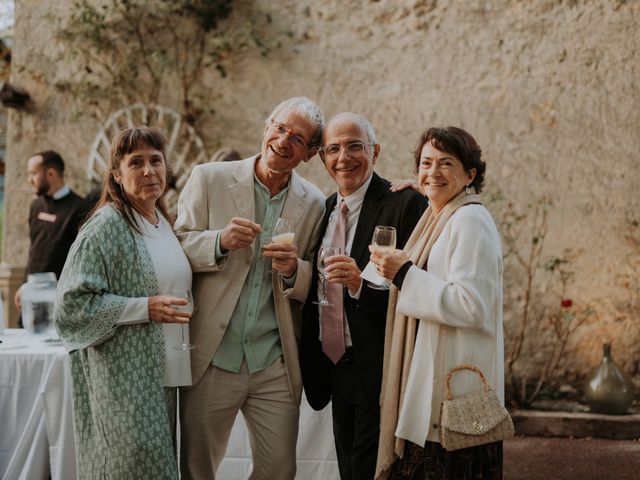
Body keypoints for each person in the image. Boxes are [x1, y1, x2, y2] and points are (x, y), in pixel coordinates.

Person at [175, 96, 326, 479]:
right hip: (211, 355)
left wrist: (295, 270)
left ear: (308, 154)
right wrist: (217, 242)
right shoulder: (209, 178)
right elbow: (176, 245)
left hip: (273, 360)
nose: (283, 140)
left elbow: (314, 275)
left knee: (279, 470)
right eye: (280, 128)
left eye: (298, 138)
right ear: (266, 126)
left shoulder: (314, 203)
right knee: (197, 468)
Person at [55, 127, 193, 479]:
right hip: (124, 385)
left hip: (163, 376)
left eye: (155, 161)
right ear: (116, 174)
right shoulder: (106, 226)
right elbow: (71, 306)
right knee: (131, 469)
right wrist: (141, 308)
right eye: (136, 163)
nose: (149, 171)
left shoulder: (161, 221)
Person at [370, 127, 504, 479]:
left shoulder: (471, 221)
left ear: (470, 174)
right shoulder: (440, 217)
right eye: (426, 163)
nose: (433, 172)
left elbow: (471, 305)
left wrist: (404, 275)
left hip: (452, 399)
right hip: (431, 384)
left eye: (447, 163)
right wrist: (426, 190)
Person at [299, 112, 428, 480]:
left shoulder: (404, 204)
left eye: (355, 146)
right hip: (334, 361)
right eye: (334, 149)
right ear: (323, 158)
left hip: (378, 363)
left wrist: (359, 285)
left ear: (375, 151)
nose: (344, 158)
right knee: (348, 468)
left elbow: (417, 288)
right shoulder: (324, 210)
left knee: (374, 469)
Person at [14, 150, 88, 312]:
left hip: (59, 300)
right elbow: (34, 251)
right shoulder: (36, 206)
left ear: (51, 173)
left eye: (33, 174)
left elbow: (81, 261)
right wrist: (24, 286)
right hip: (31, 295)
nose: (29, 180)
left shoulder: (79, 209)